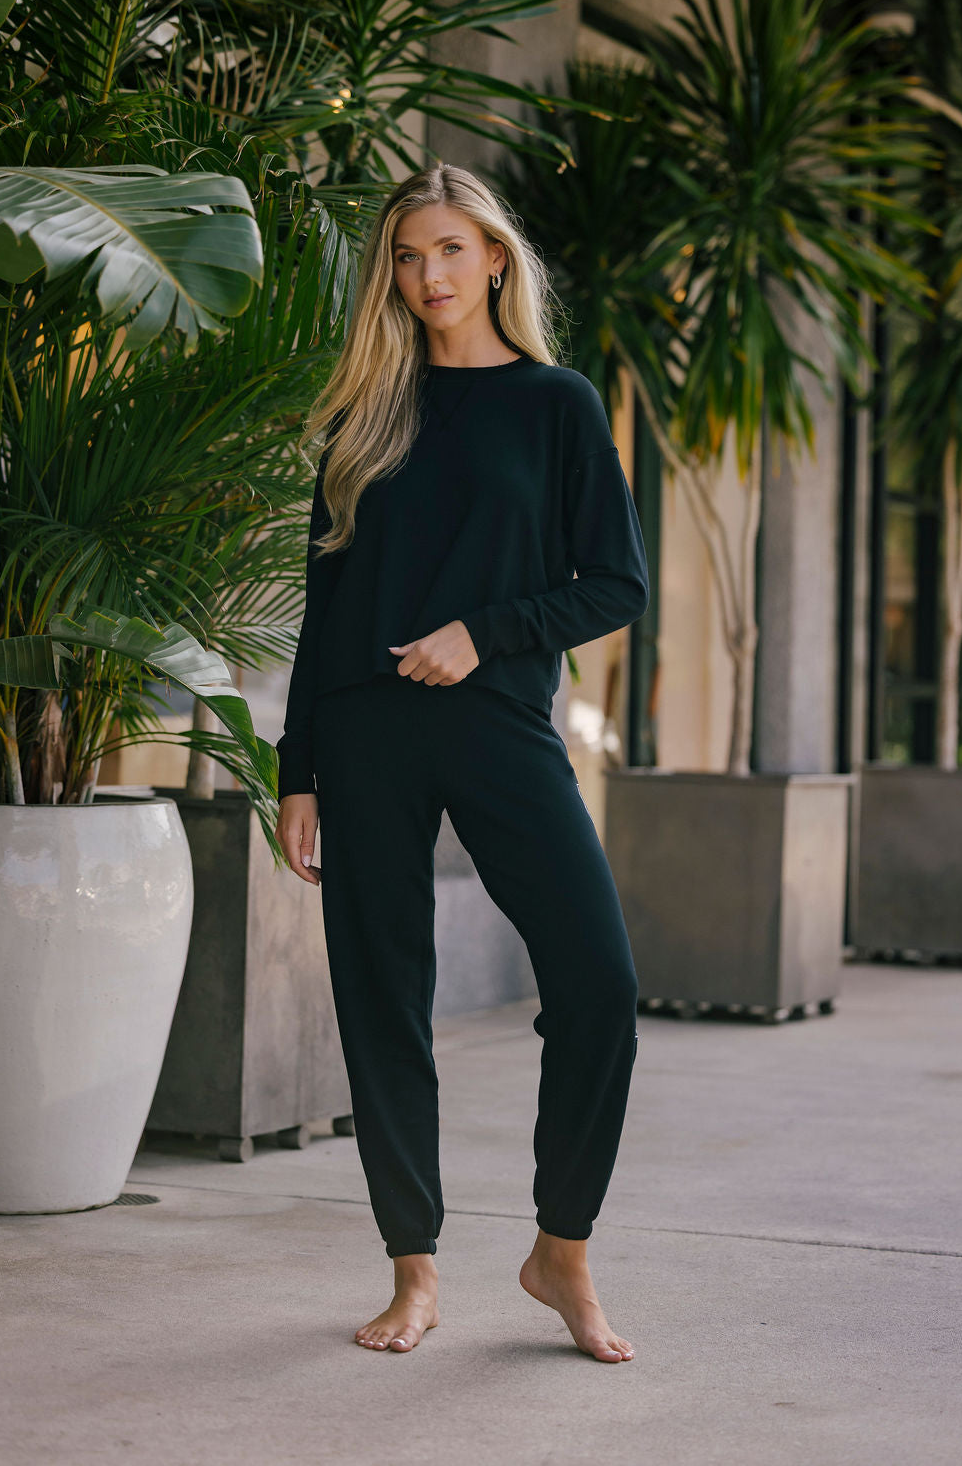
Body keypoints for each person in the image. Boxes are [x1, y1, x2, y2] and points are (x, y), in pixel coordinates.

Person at [275, 163, 649, 1363]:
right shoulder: (364, 411)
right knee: (382, 995)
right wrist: (298, 769)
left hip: (497, 719)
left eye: (447, 249)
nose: (425, 275)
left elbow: (614, 581)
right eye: (403, 255)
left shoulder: (557, 405)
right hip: (363, 728)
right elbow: (324, 604)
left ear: (494, 256)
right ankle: (414, 1269)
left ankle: (563, 1252)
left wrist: (481, 632)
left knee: (596, 979)